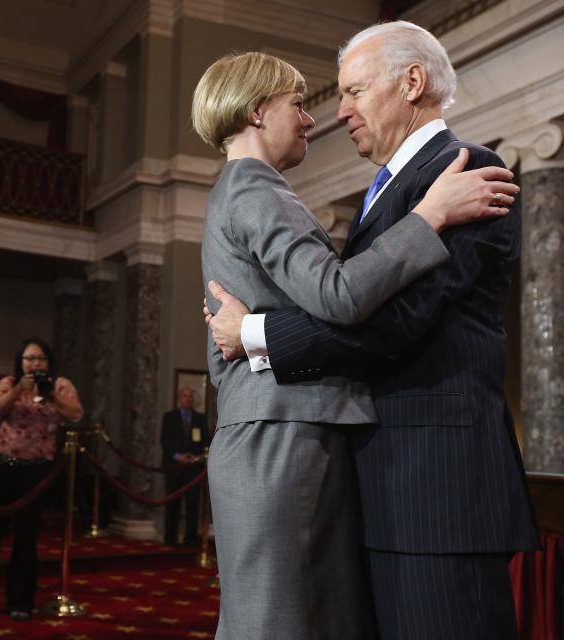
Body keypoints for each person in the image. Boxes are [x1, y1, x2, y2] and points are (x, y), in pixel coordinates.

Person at [205, 22, 539, 640]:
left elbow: (397, 324)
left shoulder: (467, 172)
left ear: (412, 82)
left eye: (354, 91)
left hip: (437, 495)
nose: (339, 113)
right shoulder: (387, 194)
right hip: (382, 485)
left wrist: (258, 335)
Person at [0, 338, 82, 621]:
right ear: (20, 362)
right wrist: (17, 391)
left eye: (40, 359)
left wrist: (51, 395)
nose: (34, 364)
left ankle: (20, 602)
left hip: (37, 471)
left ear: (48, 363)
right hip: (2, 468)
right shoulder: (9, 382)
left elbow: (75, 413)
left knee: (26, 539)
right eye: (29, 359)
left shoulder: (60, 385)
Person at [159, 386, 209, 546]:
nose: (187, 399)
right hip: (174, 467)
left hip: (193, 469)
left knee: (192, 505)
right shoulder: (169, 417)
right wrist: (178, 456)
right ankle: (170, 537)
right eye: (184, 396)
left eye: (190, 396)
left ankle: (190, 538)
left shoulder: (200, 418)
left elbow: (205, 442)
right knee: (172, 504)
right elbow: (164, 441)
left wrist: (196, 457)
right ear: (179, 399)